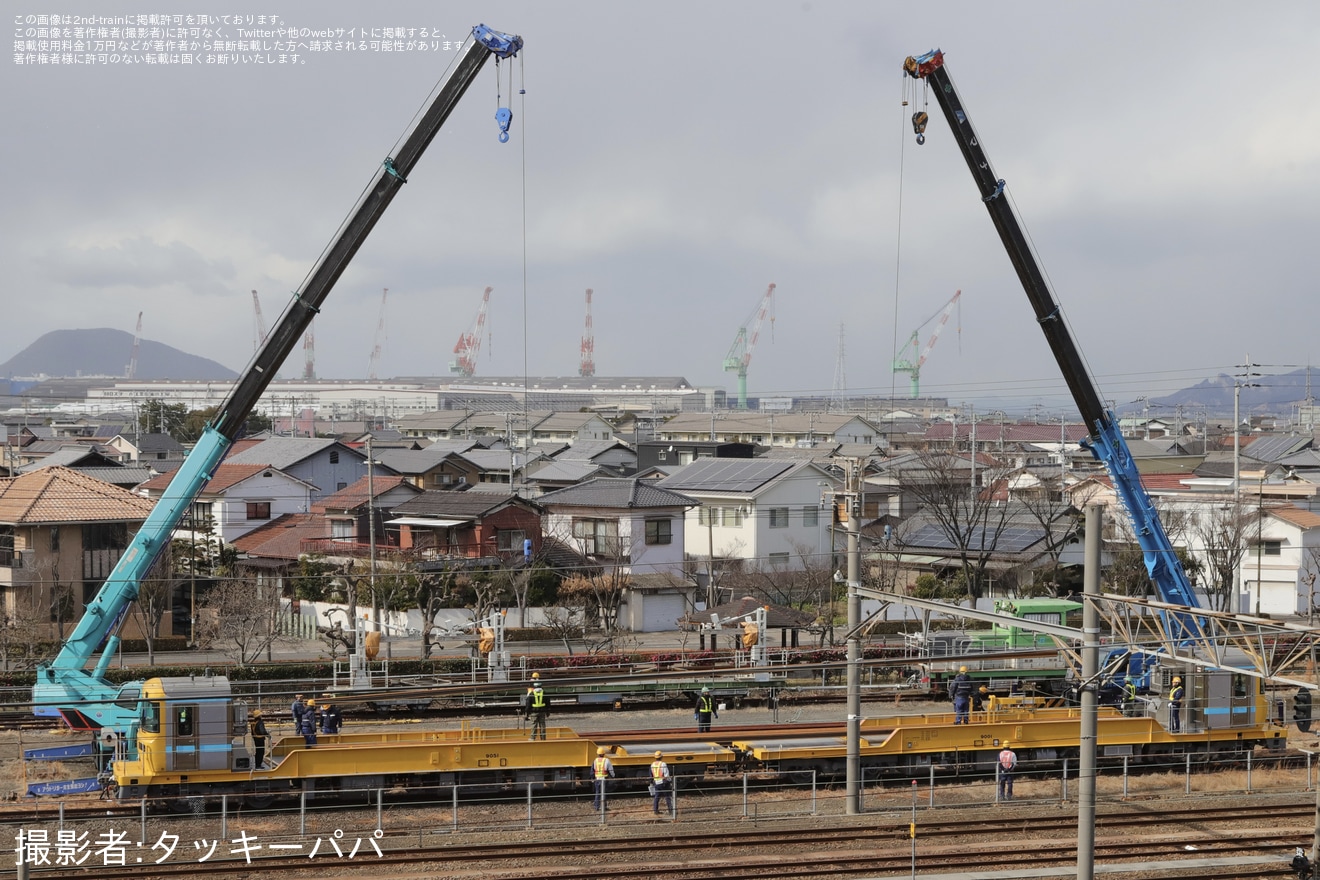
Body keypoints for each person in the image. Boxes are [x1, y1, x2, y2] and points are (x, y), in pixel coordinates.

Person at [591, 746, 614, 811]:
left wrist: (592, 778)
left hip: (597, 779)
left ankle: (596, 807)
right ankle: (604, 807)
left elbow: (592, 770)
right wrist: (613, 776)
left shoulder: (595, 761)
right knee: (603, 793)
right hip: (604, 779)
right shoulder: (606, 760)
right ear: (604, 754)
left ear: (598, 754)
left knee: (597, 792)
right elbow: (611, 770)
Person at [649, 750, 672, 816]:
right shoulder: (663, 764)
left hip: (656, 783)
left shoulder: (652, 764)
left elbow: (651, 775)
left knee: (657, 797)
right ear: (661, 757)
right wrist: (670, 781)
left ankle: (655, 811)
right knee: (667, 797)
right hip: (663, 783)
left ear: (655, 757)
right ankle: (670, 811)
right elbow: (666, 775)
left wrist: (651, 782)